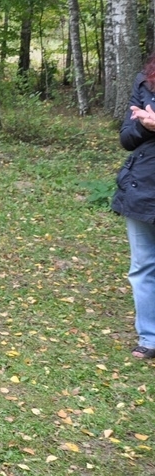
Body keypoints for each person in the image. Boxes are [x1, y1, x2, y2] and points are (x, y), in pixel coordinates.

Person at [111, 50, 155, 360]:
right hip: (144, 187)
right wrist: (144, 126)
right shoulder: (145, 82)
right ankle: (149, 338)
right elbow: (127, 138)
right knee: (143, 266)